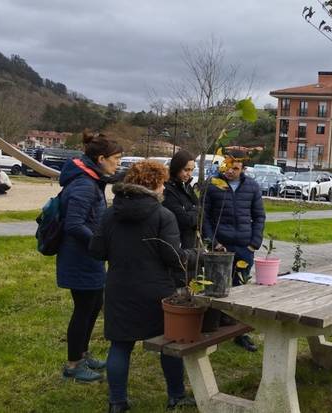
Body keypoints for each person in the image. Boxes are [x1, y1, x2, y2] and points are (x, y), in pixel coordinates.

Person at [89, 161, 198, 412]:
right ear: (153, 184)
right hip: (156, 290)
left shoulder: (110, 213)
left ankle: (117, 403)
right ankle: (176, 396)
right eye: (161, 183)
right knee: (170, 344)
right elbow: (173, 256)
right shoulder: (163, 216)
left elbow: (96, 250)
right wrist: (195, 255)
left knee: (120, 345)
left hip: (119, 288)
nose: (163, 188)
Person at [57, 132, 122, 383]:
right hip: (80, 259)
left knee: (93, 306)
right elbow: (73, 224)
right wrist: (99, 244)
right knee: (83, 310)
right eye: (116, 158)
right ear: (101, 158)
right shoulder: (84, 184)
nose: (118, 163)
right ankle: (73, 365)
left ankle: (82, 354)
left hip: (89, 257)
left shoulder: (91, 178)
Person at [202, 153, 265, 352]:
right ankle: (214, 330)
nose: (230, 171)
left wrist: (254, 243)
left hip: (244, 247)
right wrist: (213, 242)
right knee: (217, 289)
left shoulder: (252, 187)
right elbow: (204, 216)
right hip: (221, 246)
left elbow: (259, 216)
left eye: (235, 168)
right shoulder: (213, 185)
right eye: (227, 167)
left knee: (241, 288)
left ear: (242, 169)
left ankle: (240, 333)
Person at [163, 150, 199, 250]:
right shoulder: (168, 190)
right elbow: (185, 220)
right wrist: (197, 210)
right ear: (177, 168)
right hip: (176, 245)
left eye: (192, 170)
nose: (189, 174)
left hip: (188, 243)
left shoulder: (186, 187)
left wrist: (195, 210)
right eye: (186, 170)